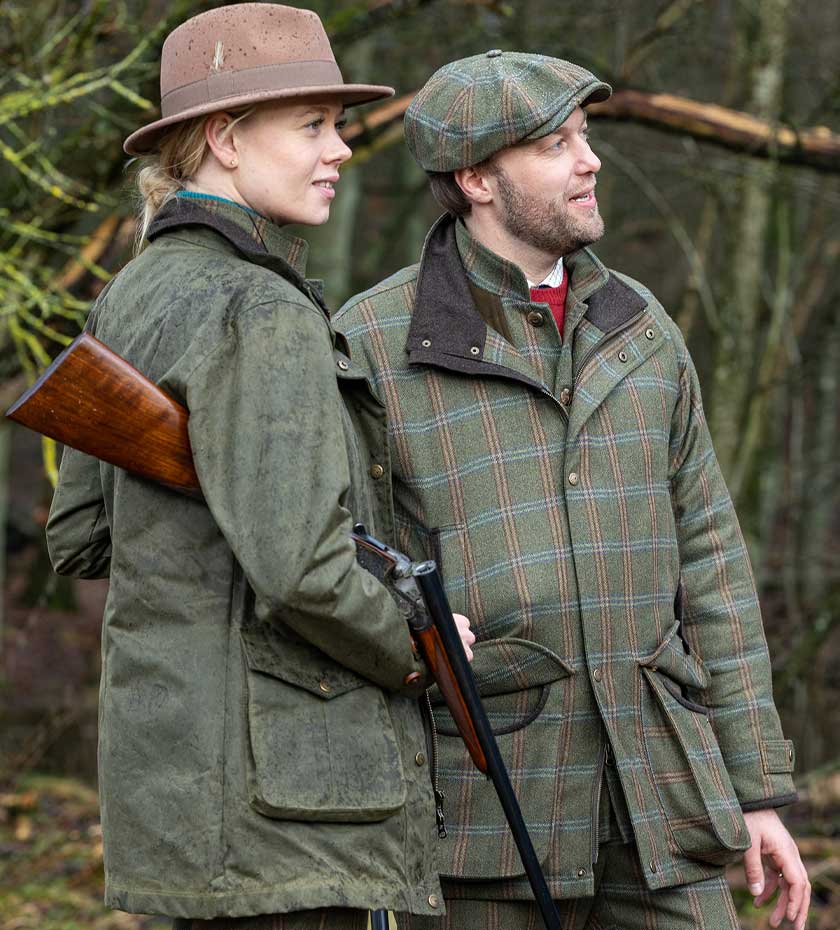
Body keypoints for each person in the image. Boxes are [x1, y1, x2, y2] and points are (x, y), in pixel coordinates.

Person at [335, 51, 810, 930]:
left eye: (583, 136)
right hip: (483, 812)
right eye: (556, 144)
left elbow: (711, 565)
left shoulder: (641, 328)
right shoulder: (370, 344)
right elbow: (324, 559)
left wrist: (756, 793)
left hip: (664, 796)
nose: (590, 161)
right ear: (476, 177)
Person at [45, 5, 474, 928]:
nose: (343, 149)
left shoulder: (126, 296)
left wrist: (205, 490)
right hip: (289, 815)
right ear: (225, 140)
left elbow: (79, 535)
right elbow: (301, 569)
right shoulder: (261, 307)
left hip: (171, 798)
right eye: (313, 125)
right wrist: (420, 650)